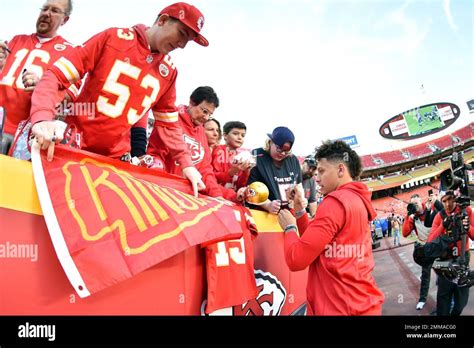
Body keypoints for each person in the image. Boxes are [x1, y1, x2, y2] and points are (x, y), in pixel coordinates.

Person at [29, 2, 207, 196]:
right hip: (73, 146)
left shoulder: (170, 71)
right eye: (182, 33)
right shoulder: (114, 38)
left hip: (114, 160)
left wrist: (187, 164)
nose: (182, 45)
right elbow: (55, 76)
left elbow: (169, 125)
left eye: (188, 41)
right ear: (163, 20)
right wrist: (42, 118)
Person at [277, 140, 384, 315]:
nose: (316, 178)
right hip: (360, 302)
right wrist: (299, 210)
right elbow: (318, 242)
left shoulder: (334, 201)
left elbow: (297, 259)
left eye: (321, 171)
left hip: (339, 306)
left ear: (341, 169)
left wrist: (289, 228)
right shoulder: (357, 199)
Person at [0, 0, 79, 155]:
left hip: (28, 135)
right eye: (44, 9)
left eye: (55, 10)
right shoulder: (16, 40)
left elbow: (69, 100)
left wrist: (44, 88)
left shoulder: (70, 52)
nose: (46, 14)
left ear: (65, 19)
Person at [147, 86, 243, 201]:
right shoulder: (172, 120)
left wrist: (217, 195)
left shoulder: (201, 131)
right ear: (191, 102)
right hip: (163, 192)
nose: (206, 117)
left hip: (187, 197)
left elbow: (205, 170)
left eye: (210, 114)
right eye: (204, 111)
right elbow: (156, 156)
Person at [427, 190, 474, 316]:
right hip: (445, 263)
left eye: (451, 199)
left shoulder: (466, 210)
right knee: (443, 304)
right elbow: (430, 241)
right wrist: (443, 225)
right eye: (444, 201)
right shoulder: (440, 215)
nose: (448, 203)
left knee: (460, 304)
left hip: (462, 260)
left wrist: (467, 227)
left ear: (456, 198)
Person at [247, 126, 303, 214]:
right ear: (270, 142)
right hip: (262, 214)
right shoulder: (257, 156)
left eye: (286, 151)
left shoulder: (293, 160)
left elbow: (298, 186)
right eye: (279, 149)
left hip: (287, 214)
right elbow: (250, 189)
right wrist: (267, 205)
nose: (283, 153)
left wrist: (301, 199)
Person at [402, 193, 441, 310]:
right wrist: (408, 217)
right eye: (412, 204)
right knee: (425, 275)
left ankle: (445, 298)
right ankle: (422, 299)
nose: (415, 206)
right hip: (425, 249)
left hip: (436, 247)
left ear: (421, 202)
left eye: (416, 203)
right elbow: (405, 233)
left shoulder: (430, 209)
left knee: (442, 273)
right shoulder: (413, 217)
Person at [211, 121, 253, 192]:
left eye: (243, 135)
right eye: (235, 134)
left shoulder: (241, 156)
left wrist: (246, 172)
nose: (240, 137)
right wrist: (233, 171)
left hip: (233, 198)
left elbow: (239, 186)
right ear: (225, 135)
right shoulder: (218, 150)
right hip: (217, 195)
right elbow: (212, 176)